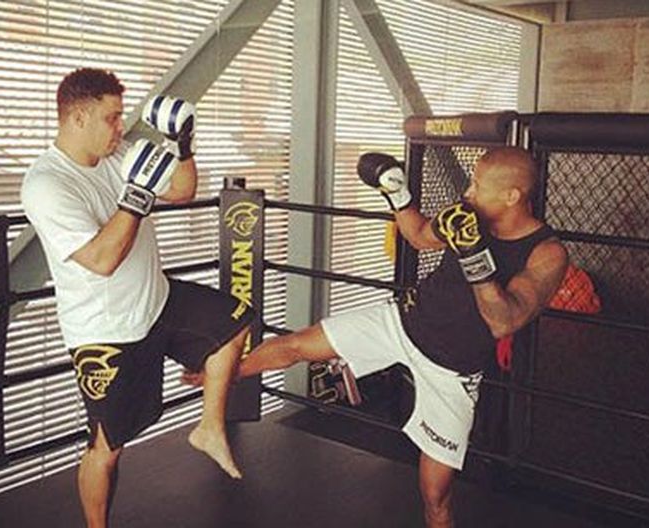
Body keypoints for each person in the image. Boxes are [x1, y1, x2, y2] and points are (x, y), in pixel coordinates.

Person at [233, 147, 568, 528]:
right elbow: (419, 235)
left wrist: (474, 255)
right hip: (402, 323)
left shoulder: (547, 254)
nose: (468, 192)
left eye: (477, 185)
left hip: (453, 371)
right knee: (295, 345)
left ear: (512, 195)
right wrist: (397, 193)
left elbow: (503, 322)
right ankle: (224, 376)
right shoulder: (468, 214)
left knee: (436, 497)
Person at [20, 68, 252, 528]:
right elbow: (102, 259)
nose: (120, 127)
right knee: (107, 448)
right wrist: (135, 198)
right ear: (78, 118)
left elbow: (182, 191)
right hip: (107, 330)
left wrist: (183, 145)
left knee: (233, 322)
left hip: (157, 299)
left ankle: (209, 428)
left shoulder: (116, 152)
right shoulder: (46, 185)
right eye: (111, 118)